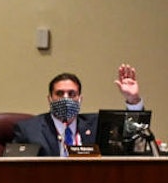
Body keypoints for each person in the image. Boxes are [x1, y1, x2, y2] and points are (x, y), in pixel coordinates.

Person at [11, 65, 144, 157]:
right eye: (59, 93)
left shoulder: (98, 125)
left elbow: (133, 141)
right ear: (50, 99)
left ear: (80, 99)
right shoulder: (28, 129)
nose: (66, 98)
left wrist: (133, 100)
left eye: (72, 94)